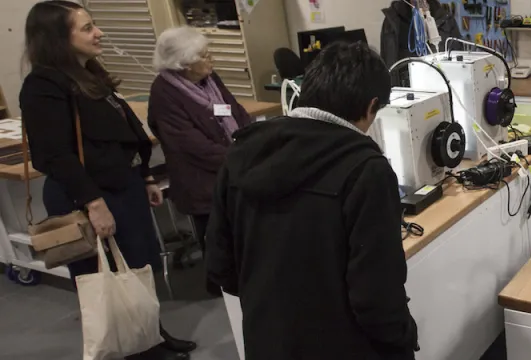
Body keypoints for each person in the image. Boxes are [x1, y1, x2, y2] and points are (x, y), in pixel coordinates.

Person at [205, 41, 419, 360]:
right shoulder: (365, 170)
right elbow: (376, 294)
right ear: (371, 106)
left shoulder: (242, 152)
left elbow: (220, 267)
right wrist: (404, 337)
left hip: (268, 341)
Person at [20, 2, 193, 359]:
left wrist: (144, 175)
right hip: (87, 195)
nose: (98, 32)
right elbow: (55, 155)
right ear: (57, 38)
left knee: (138, 267)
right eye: (86, 28)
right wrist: (94, 203)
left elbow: (122, 134)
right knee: (107, 274)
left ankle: (150, 335)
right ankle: (130, 346)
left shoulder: (89, 75)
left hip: (123, 186)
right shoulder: (43, 87)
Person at [148, 26, 253, 297]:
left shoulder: (208, 78)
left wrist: (250, 138)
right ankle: (221, 285)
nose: (211, 60)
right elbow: (190, 145)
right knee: (216, 234)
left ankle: (244, 279)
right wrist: (239, 156)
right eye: (204, 56)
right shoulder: (165, 93)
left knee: (241, 230)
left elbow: (234, 110)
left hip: (231, 167)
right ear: (182, 64)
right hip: (201, 179)